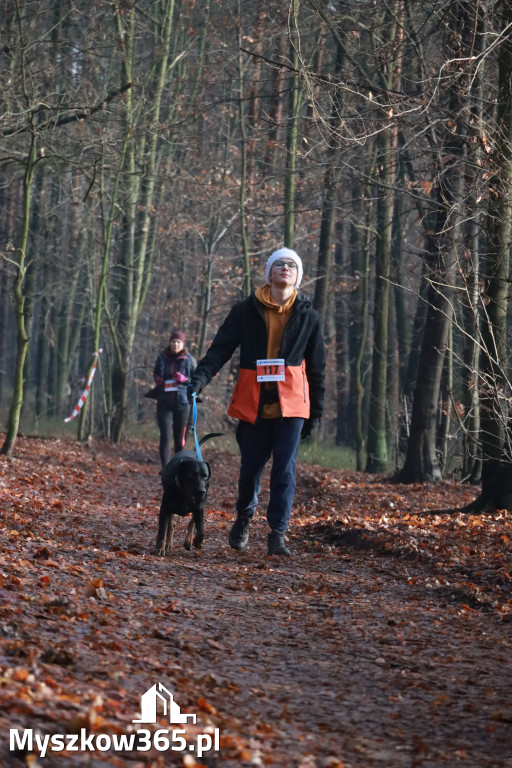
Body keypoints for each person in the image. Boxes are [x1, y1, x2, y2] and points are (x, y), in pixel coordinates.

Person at [187, 247, 325, 556]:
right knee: (250, 470)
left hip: (292, 407)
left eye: (292, 265)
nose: (285, 268)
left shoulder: (309, 316)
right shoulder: (244, 311)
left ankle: (278, 533)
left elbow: (317, 369)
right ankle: (245, 516)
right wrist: (200, 378)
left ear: (298, 275)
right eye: (280, 264)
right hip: (254, 405)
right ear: (270, 272)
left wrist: (315, 413)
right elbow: (220, 350)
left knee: (284, 471)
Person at [153, 329, 196, 468]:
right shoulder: (161, 358)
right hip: (164, 401)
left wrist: (185, 379)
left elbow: (196, 381)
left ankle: (178, 468)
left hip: (182, 403)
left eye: (178, 342)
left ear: (183, 344)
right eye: (173, 342)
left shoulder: (189, 360)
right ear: (169, 343)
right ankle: (165, 468)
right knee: (165, 435)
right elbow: (156, 374)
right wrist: (158, 380)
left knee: (179, 439)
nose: (175, 345)